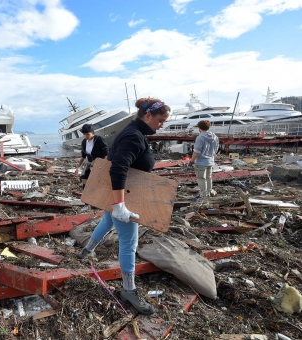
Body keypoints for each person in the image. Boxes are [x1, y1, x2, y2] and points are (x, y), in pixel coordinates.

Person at [78, 97, 171, 315]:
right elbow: (117, 168)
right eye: (161, 120)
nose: (162, 125)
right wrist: (119, 204)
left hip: (120, 194)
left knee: (107, 220)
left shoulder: (130, 131)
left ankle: (87, 250)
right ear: (148, 116)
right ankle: (129, 290)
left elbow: (111, 156)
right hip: (125, 197)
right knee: (129, 242)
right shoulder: (133, 135)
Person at [188, 120, 219, 199]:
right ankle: (209, 192)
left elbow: (196, 152)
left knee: (201, 178)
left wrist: (191, 161)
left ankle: (204, 195)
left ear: (199, 127)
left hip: (201, 162)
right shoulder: (215, 137)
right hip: (210, 161)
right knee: (209, 177)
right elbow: (216, 150)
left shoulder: (200, 138)